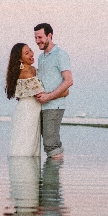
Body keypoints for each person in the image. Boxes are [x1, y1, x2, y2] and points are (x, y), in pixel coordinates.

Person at [34, 23, 73, 159]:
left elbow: (68, 81)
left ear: (49, 36)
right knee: (45, 141)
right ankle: (49, 176)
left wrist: (48, 97)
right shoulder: (40, 57)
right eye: (35, 38)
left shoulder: (60, 54)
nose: (37, 41)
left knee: (51, 143)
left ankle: (53, 178)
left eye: (40, 37)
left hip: (55, 105)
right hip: (42, 105)